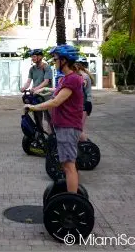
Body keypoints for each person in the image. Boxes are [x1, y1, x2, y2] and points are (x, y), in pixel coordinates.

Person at [25, 45, 83, 193]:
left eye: (56, 59)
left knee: (69, 166)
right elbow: (59, 93)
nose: (54, 62)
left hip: (68, 127)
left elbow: (56, 102)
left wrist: (33, 107)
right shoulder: (66, 79)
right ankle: (71, 194)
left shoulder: (72, 79)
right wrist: (48, 89)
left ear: (64, 60)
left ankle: (72, 200)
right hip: (63, 126)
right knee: (66, 164)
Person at [21, 49, 53, 132]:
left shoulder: (46, 67)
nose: (33, 58)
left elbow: (46, 82)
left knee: (49, 118)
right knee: (37, 118)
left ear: (41, 57)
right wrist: (24, 87)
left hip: (46, 97)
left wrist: (36, 88)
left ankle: (51, 136)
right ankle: (41, 135)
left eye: (34, 56)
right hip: (36, 96)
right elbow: (29, 81)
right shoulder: (32, 69)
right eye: (32, 56)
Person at [76, 57, 94, 142]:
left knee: (79, 130)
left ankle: (88, 148)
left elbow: (81, 86)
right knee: (77, 129)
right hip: (82, 103)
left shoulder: (84, 76)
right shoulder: (80, 75)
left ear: (78, 65)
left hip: (85, 104)